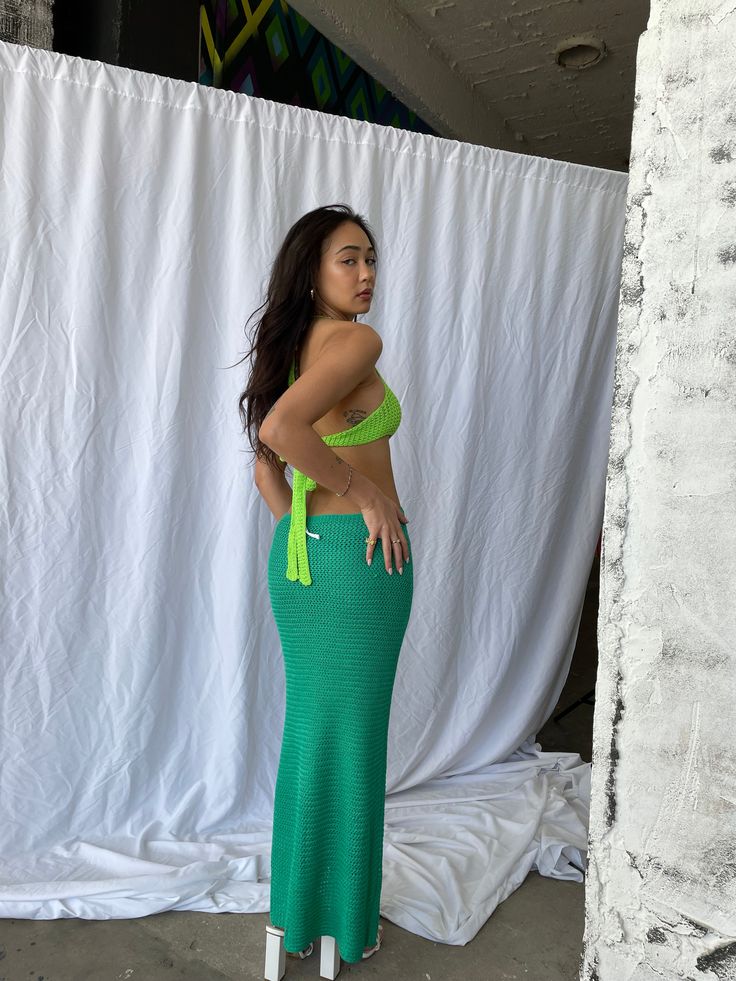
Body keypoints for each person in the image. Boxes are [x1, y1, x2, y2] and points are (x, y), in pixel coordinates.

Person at [237, 203, 414, 970]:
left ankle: (294, 922)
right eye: (349, 259)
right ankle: (343, 920)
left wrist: (301, 528)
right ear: (312, 270)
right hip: (354, 566)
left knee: (313, 737)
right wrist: (367, 496)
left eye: (371, 258)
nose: (367, 273)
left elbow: (265, 469)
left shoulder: (297, 348)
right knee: (352, 742)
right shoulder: (356, 341)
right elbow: (281, 435)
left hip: (303, 560)